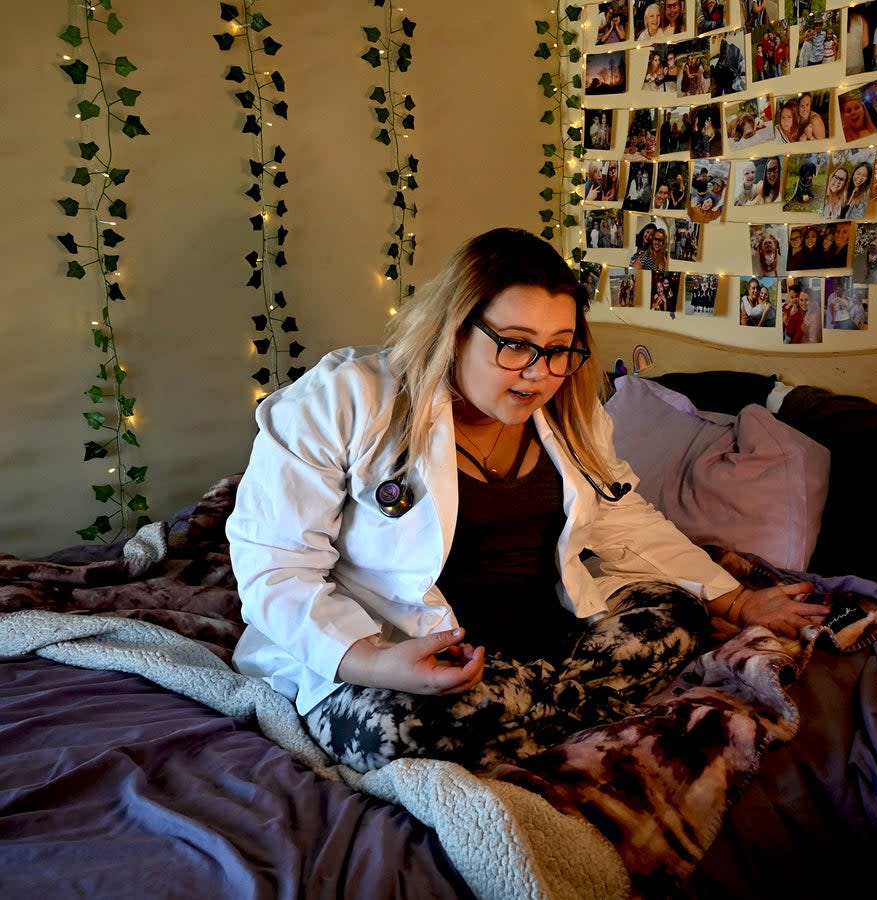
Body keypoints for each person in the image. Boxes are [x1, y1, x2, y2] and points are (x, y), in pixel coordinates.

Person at [227, 228, 827, 776]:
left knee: (677, 617)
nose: (539, 374)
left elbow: (622, 516)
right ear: (454, 329)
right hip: (404, 645)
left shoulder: (572, 412)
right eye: (514, 345)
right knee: (396, 730)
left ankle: (524, 706)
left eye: (560, 348)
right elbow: (276, 567)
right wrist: (372, 662)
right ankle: (538, 713)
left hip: (548, 637)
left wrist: (739, 598)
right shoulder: (342, 401)